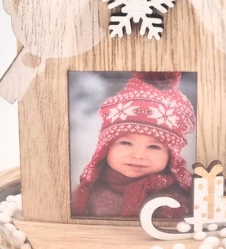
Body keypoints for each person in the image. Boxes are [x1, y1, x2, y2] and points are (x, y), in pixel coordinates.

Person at [71, 72, 195, 219]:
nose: (138, 155)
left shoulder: (181, 199)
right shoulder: (87, 195)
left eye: (154, 147)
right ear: (105, 148)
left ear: (171, 156)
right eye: (126, 143)